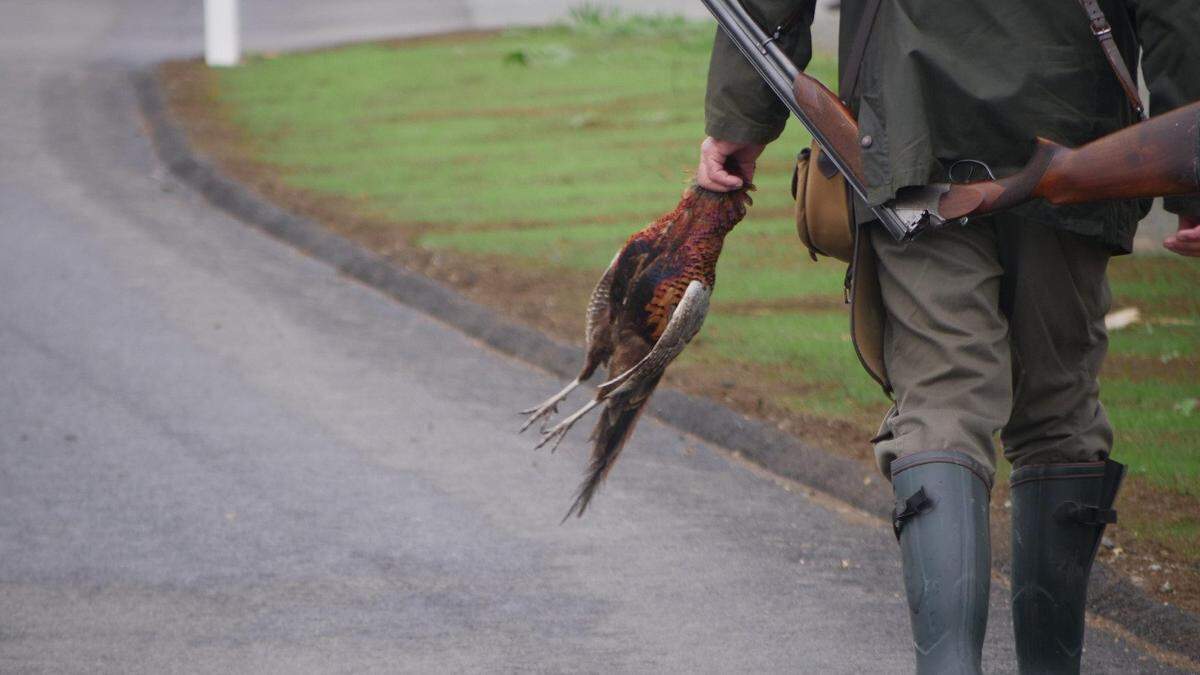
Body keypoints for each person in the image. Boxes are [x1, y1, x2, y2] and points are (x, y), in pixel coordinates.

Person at [697, 1, 1200, 673]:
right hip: (1074, 122)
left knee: (941, 400)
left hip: (911, 126)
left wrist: (740, 120)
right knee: (1058, 411)